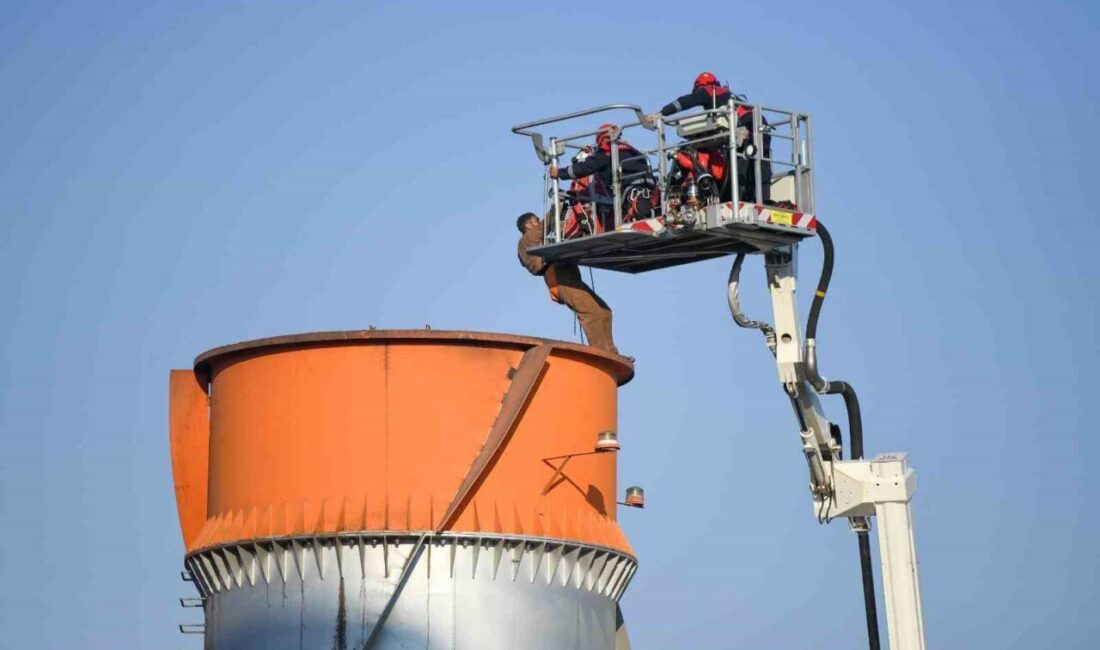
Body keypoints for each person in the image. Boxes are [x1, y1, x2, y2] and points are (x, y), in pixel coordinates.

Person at [652, 72, 772, 204]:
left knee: (738, 165)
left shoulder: (708, 90)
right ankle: (763, 199)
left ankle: (736, 199)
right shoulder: (727, 94)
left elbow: (684, 102)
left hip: (745, 126)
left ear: (699, 86)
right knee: (760, 162)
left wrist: (661, 113)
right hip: (760, 124)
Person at [515, 211, 618, 354]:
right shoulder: (526, 240)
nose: (538, 221)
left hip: (570, 280)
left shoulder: (539, 240)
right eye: (535, 220)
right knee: (592, 312)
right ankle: (603, 353)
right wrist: (556, 207)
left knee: (604, 312)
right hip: (560, 281)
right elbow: (544, 227)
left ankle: (610, 351)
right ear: (527, 224)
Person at [549, 124, 658, 223]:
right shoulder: (631, 150)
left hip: (631, 195)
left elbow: (585, 168)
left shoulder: (607, 151)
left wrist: (560, 173)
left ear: (603, 139)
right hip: (650, 191)